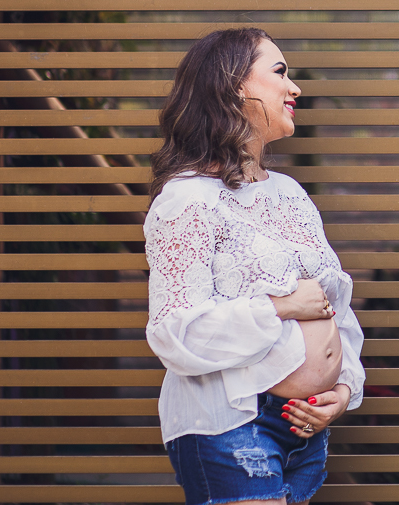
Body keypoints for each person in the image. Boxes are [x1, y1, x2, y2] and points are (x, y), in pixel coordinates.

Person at [144, 27, 365, 505]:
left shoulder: (291, 195)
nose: (295, 88)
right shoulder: (187, 200)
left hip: (306, 428)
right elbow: (173, 333)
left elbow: (335, 309)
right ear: (234, 85)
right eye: (281, 72)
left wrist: (345, 389)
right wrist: (281, 307)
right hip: (232, 422)